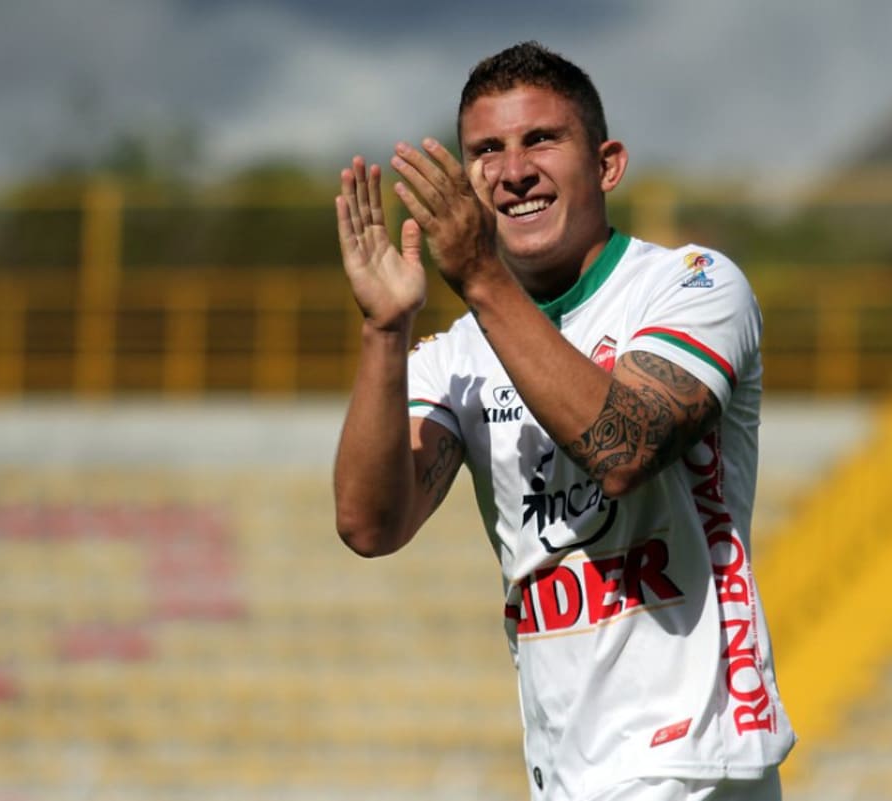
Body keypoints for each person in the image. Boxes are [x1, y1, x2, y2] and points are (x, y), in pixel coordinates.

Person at [332, 41, 795, 801]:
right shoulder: (456, 355)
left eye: (541, 139)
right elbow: (369, 525)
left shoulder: (692, 285)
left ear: (607, 165)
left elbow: (626, 449)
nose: (513, 170)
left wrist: (479, 274)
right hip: (571, 777)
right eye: (486, 150)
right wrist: (385, 331)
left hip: (689, 766)